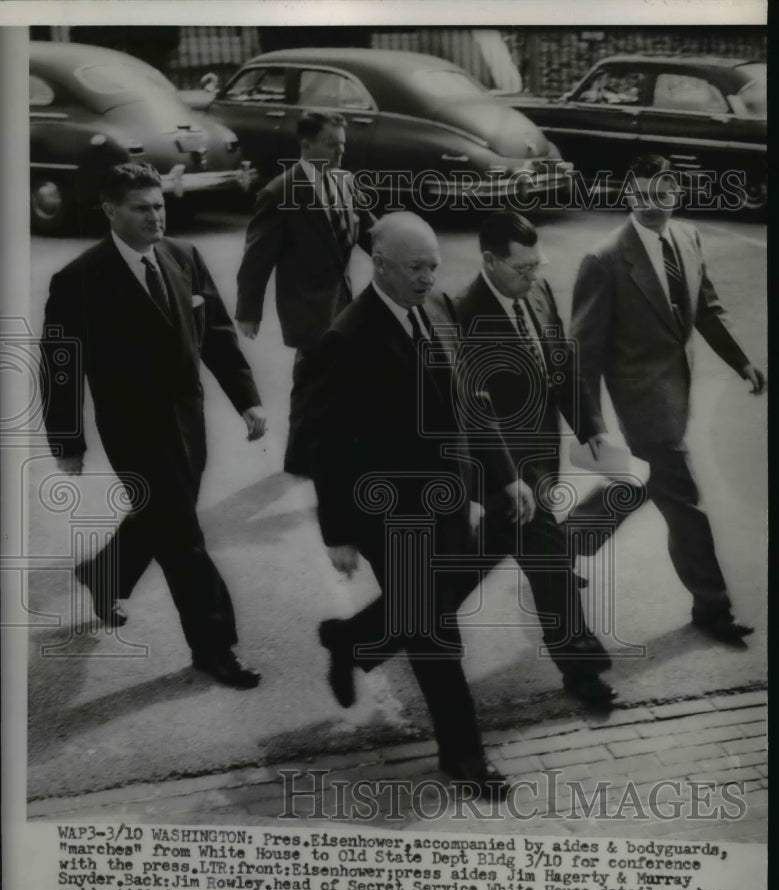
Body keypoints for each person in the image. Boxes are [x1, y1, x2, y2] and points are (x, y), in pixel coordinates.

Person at [293, 212, 529, 799]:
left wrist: (505, 476)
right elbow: (327, 445)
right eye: (414, 267)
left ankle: (352, 640)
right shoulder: (346, 338)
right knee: (435, 635)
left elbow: (472, 401)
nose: (427, 277)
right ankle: (465, 760)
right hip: (387, 515)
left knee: (432, 605)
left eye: (433, 266)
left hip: (445, 502)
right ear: (380, 265)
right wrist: (338, 531)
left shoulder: (442, 311)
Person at [40, 162, 266, 689]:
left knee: (165, 517)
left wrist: (248, 401)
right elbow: (61, 370)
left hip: (189, 421)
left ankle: (105, 574)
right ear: (110, 210)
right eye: (141, 208)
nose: (155, 216)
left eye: (159, 205)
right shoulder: (79, 280)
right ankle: (215, 647)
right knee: (183, 536)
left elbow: (218, 338)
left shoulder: (183, 257)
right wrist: (68, 443)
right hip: (134, 430)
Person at [570, 152, 766, 646]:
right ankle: (713, 607)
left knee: (636, 487)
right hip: (641, 402)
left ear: (676, 193)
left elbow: (706, 309)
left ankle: (556, 550)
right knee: (684, 502)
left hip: (676, 392)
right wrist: (590, 423)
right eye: (640, 194)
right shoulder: (606, 259)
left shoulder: (688, 238)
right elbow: (583, 352)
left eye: (661, 194)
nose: (651, 204)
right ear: (627, 194)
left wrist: (741, 361)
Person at [453, 211, 617, 708]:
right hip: (504, 467)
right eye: (522, 269)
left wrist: (594, 431)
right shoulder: (462, 314)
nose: (533, 276)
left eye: (536, 266)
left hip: (543, 455)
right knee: (549, 560)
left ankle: (364, 636)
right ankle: (582, 667)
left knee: (467, 566)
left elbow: (562, 366)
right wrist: (507, 480)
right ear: (489, 260)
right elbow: (469, 413)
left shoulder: (537, 292)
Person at [235, 111, 377, 474]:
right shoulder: (281, 191)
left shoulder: (344, 182)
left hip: (343, 300)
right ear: (306, 145)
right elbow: (257, 256)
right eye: (332, 145)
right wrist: (249, 310)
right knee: (313, 379)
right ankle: (299, 457)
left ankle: (333, 448)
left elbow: (369, 232)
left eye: (343, 145)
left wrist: (402, 254)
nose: (339, 153)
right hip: (306, 303)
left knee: (341, 376)